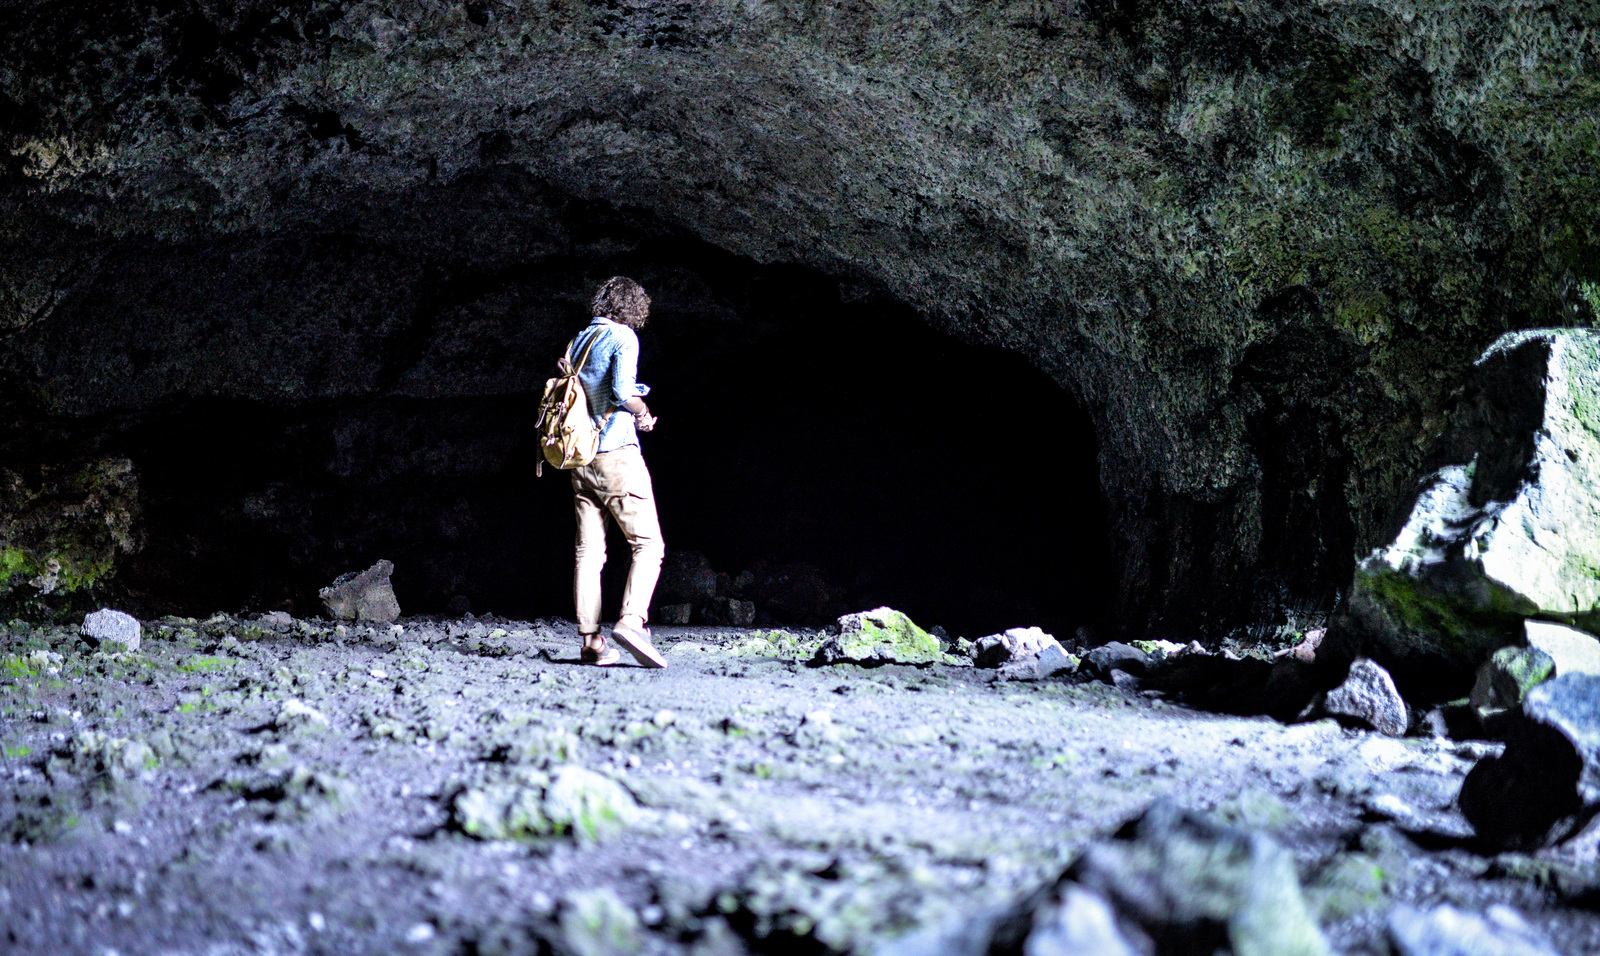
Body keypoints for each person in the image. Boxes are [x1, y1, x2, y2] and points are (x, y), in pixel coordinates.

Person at [566, 276, 668, 668]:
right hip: (616, 454)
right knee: (649, 545)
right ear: (634, 308)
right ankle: (632, 621)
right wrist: (643, 414)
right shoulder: (623, 336)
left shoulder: (581, 339)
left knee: (589, 552)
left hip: (581, 457)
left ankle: (592, 641)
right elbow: (623, 390)